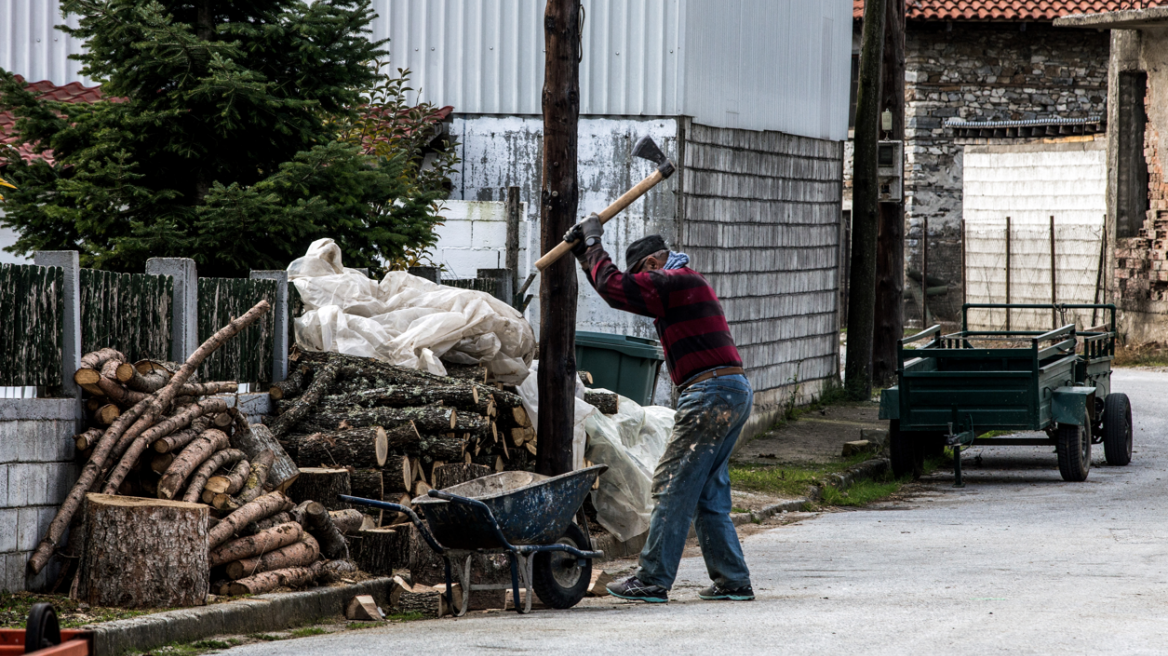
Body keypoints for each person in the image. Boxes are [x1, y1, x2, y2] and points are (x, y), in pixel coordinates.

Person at [565, 213, 755, 603]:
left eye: (642, 276)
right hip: (729, 390)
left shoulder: (673, 281)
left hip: (710, 393)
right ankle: (732, 579)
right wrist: (586, 257)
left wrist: (594, 243)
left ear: (652, 265)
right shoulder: (685, 283)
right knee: (706, 494)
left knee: (671, 482)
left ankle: (652, 579)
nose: (641, 287)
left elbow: (616, 287)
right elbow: (613, 288)